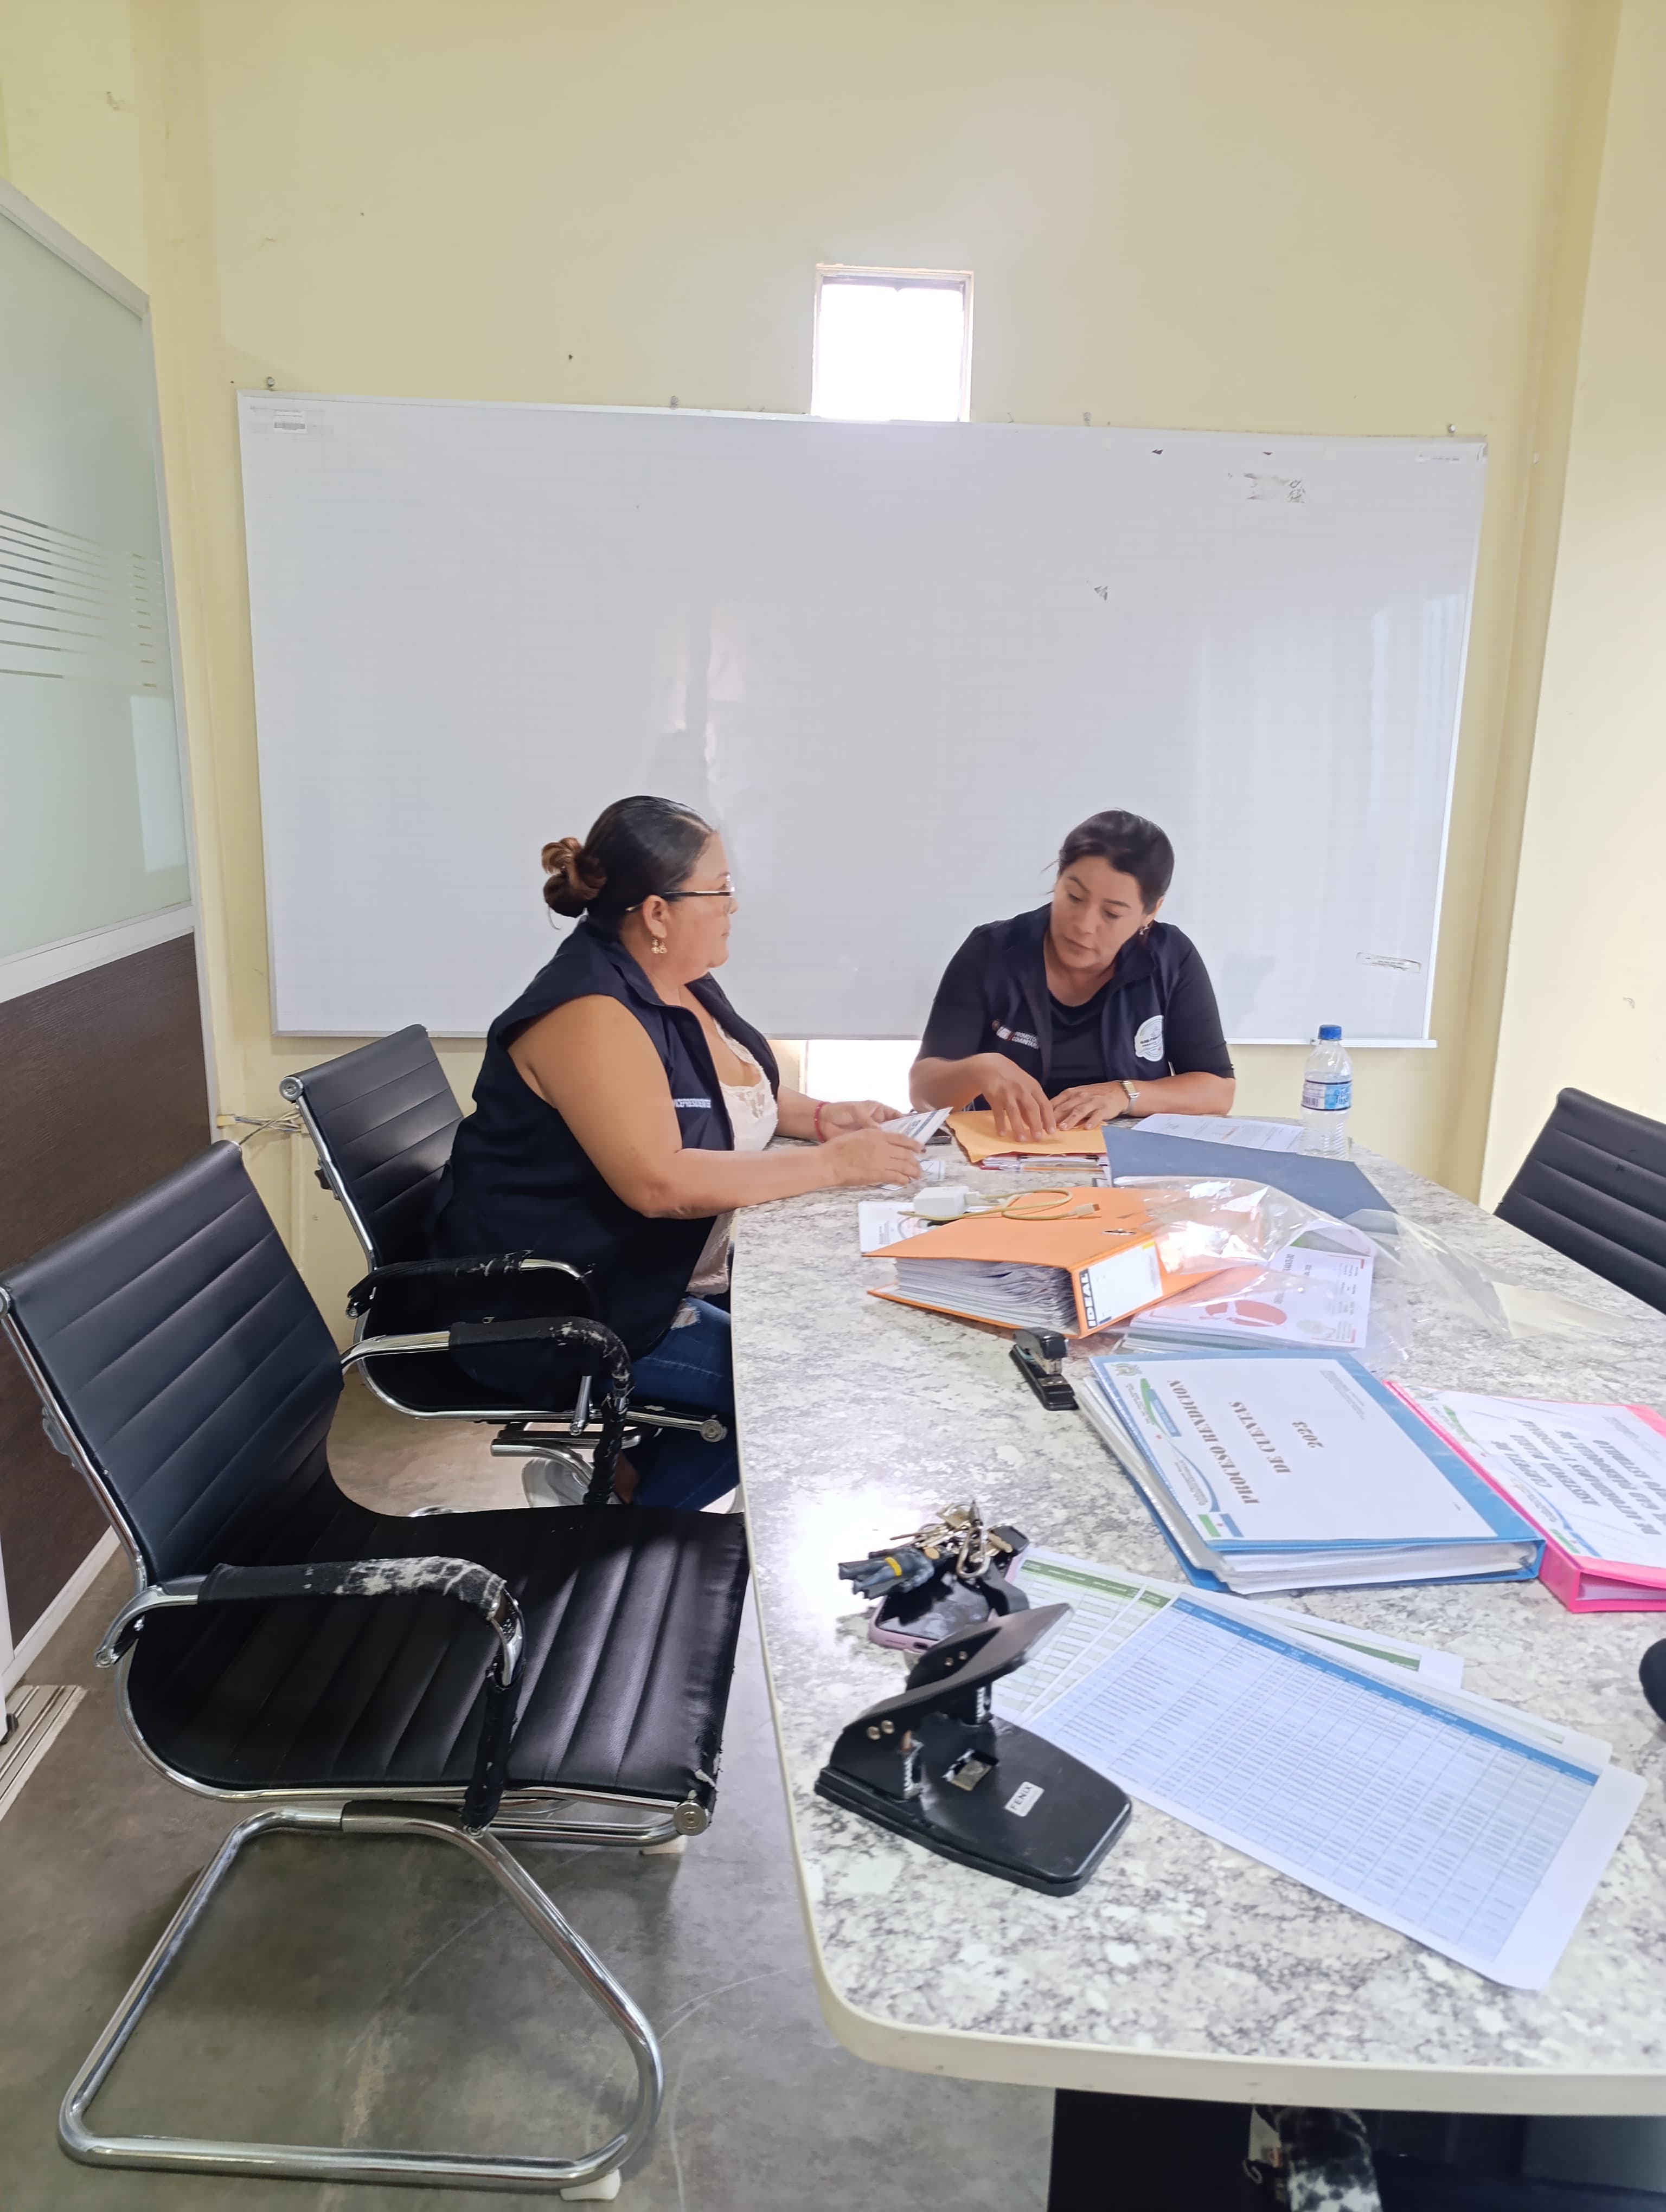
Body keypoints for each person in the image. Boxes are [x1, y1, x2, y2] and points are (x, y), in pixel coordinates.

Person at [433, 794, 922, 1509]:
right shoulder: (589, 1013)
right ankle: (625, 1538)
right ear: (659, 913)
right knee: (783, 1392)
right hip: (555, 1307)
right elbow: (658, 1182)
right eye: (719, 889)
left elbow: (722, 1092)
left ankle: (615, 1490)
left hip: (638, 1275)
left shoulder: (673, 979)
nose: (733, 905)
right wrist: (831, 1166)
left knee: (812, 1345)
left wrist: (821, 1119)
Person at [909, 809, 1235, 1141]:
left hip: (1126, 1159)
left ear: (1150, 912)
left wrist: (1124, 1094)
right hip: (1002, 1153)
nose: (1084, 925)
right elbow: (923, 1092)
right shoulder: (990, 951)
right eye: (1074, 897)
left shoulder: (1171, 958)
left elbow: (1218, 1091)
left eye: (1111, 913)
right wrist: (979, 1069)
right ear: (1058, 880)